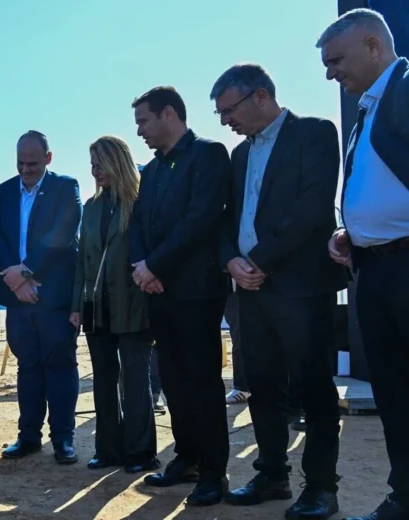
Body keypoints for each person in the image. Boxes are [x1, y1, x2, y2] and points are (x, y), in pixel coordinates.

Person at [211, 63, 344, 519]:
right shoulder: (240, 156)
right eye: (221, 115)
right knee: (263, 386)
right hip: (251, 288)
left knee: (313, 387)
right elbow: (227, 218)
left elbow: (311, 209)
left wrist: (258, 261)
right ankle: (272, 474)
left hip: (300, 287)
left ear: (261, 96)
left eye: (229, 110)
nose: (226, 121)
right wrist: (231, 259)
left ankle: (322, 488)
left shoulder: (315, 134)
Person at [320, 9, 409, 520]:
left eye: (336, 60)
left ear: (373, 46)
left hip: (404, 268)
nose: (330, 73)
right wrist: (351, 230)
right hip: (374, 272)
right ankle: (405, 496)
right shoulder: (365, 112)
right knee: (394, 393)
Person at [129, 86, 231, 506]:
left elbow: (200, 220)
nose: (140, 132)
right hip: (158, 291)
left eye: (143, 122)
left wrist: (155, 265)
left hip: (196, 292)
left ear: (168, 114)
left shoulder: (208, 154)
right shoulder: (151, 171)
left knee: (202, 381)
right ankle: (186, 457)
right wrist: (141, 267)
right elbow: (137, 226)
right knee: (172, 380)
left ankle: (212, 471)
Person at [0, 130, 83, 464]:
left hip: (54, 297)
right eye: (20, 163)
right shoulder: (1, 193)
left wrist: (26, 270)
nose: (25, 169)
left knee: (59, 366)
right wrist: (16, 280)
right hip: (17, 298)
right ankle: (28, 436)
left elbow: (64, 231)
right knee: (27, 367)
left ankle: (63, 439)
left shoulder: (65, 186)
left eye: (32, 163)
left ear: (48, 158)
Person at [70, 136, 159, 474]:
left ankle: (141, 452)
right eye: (92, 164)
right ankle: (107, 449)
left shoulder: (138, 203)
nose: (95, 171)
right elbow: (81, 259)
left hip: (133, 304)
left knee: (135, 381)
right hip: (96, 306)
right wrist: (77, 304)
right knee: (104, 380)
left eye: (100, 164)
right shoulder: (91, 207)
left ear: (116, 162)